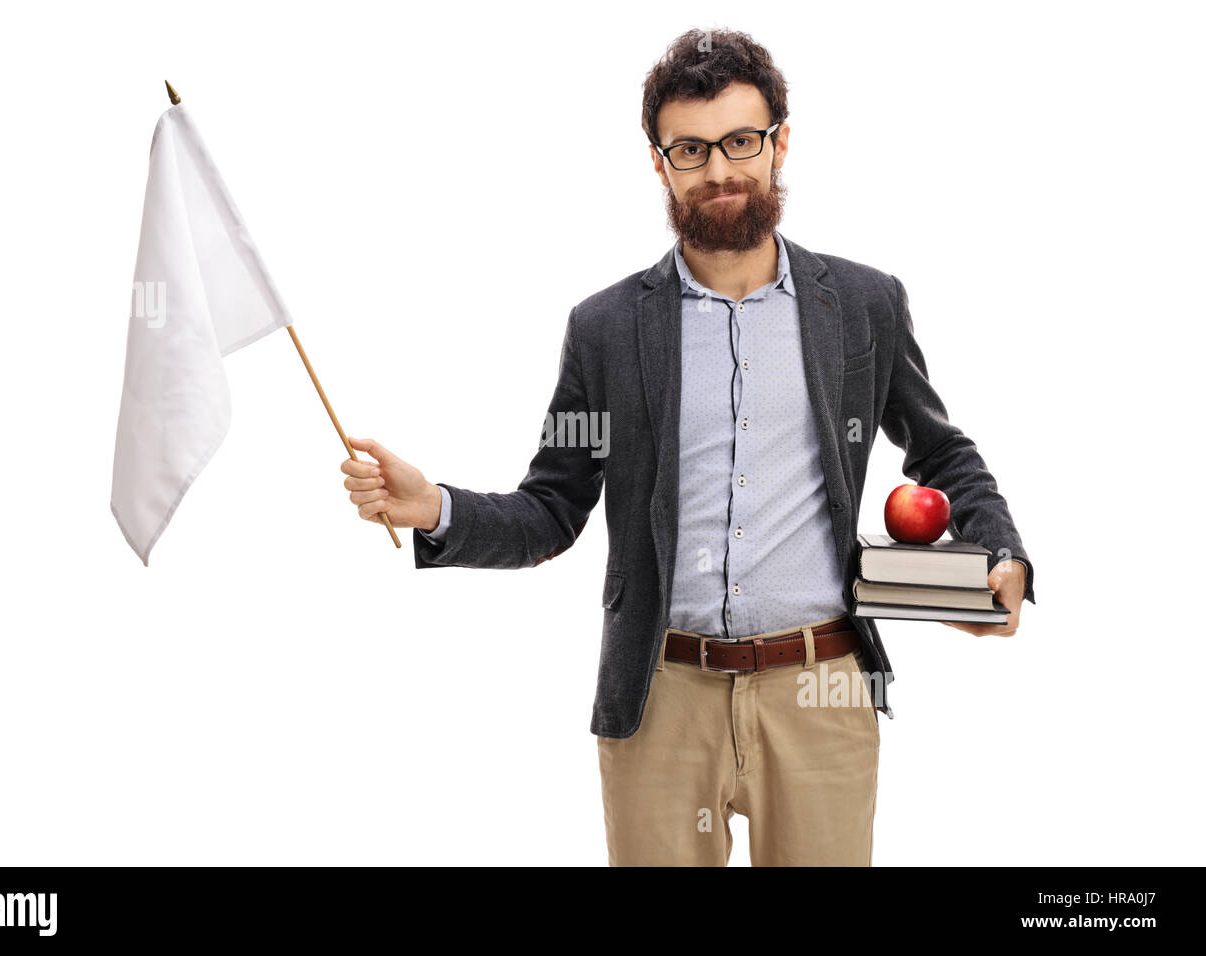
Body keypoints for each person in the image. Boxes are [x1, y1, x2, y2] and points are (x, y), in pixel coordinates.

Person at [340, 27, 1035, 866]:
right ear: (659, 160)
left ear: (782, 141)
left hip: (821, 689)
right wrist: (437, 507)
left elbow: (942, 452)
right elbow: (553, 507)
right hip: (659, 696)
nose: (720, 170)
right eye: (692, 149)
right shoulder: (604, 330)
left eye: (742, 141)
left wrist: (1002, 552)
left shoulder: (860, 305)